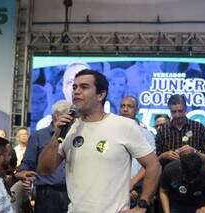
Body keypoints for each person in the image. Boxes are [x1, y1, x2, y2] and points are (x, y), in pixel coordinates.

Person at [38, 69, 161, 213]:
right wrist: (56, 136)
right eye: (74, 87)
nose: (76, 91)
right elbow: (44, 170)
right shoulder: (69, 128)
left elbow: (154, 165)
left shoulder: (124, 125)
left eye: (84, 87)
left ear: (101, 95)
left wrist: (142, 206)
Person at [14, 100, 71, 213]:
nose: (73, 119)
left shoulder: (74, 135)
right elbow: (26, 164)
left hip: (72, 194)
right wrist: (23, 174)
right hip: (48, 195)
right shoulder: (38, 136)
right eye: (70, 115)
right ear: (57, 116)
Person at [119, 96, 156, 209]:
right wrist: (124, 187)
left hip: (139, 188)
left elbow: (151, 164)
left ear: (137, 111)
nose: (125, 109)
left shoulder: (146, 134)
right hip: (115, 188)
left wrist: (132, 183)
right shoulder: (109, 131)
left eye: (129, 106)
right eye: (122, 106)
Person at [155, 94, 205, 168]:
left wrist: (194, 152)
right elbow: (154, 161)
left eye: (180, 111)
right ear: (170, 111)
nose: (177, 115)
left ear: (186, 109)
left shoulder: (198, 127)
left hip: (194, 176)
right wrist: (164, 156)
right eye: (174, 112)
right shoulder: (162, 130)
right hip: (169, 175)